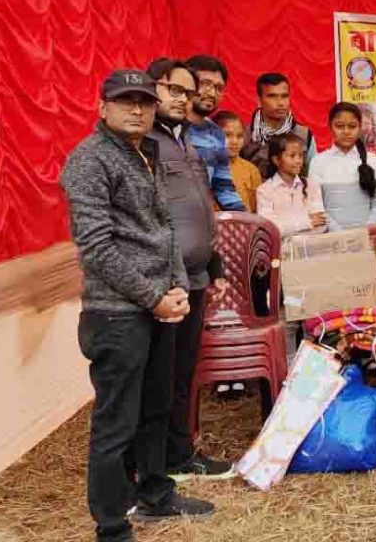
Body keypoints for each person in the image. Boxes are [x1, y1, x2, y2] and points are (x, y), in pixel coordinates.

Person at [60, 69, 215, 542]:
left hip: (158, 306)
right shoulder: (89, 160)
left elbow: (164, 230)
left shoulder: (146, 152)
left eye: (144, 102)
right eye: (125, 101)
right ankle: (111, 526)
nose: (136, 109)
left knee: (155, 409)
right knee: (116, 424)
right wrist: (154, 298)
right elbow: (97, 248)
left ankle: (156, 494)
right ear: (102, 107)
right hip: (117, 313)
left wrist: (177, 287)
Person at [144, 58, 233, 480]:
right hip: (166, 280)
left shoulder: (185, 139)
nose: (183, 99)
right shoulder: (144, 141)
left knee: (182, 372)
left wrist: (213, 259)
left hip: (195, 274)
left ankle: (178, 454)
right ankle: (156, 463)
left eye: (187, 92)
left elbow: (200, 202)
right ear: (151, 89)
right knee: (161, 377)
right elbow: (149, 216)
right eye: (174, 90)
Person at [308, 102, 376, 230]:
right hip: (331, 238)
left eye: (352, 126)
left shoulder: (372, 161)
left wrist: (365, 230)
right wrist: (340, 234)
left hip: (365, 237)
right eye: (339, 126)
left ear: (360, 128)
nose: (346, 131)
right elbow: (316, 206)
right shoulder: (318, 162)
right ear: (330, 127)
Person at [184, 55, 246, 211]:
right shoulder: (170, 127)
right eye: (205, 84)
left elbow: (223, 187)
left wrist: (245, 219)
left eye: (219, 88)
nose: (212, 93)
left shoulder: (217, 134)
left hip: (200, 219)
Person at [243, 73, 317, 179]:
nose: (280, 103)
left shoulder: (304, 135)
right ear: (259, 100)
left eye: (284, 96)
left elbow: (312, 176)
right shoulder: (244, 135)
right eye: (272, 96)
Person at [257, 134, 327, 238]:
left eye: (300, 155)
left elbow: (320, 224)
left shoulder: (311, 185)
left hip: (310, 245)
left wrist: (286, 224)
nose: (298, 161)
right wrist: (306, 222)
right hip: (281, 248)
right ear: (276, 160)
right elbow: (270, 229)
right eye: (292, 156)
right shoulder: (265, 190)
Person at [212, 110, 262, 213]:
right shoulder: (204, 169)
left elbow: (257, 210)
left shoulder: (250, 170)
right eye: (227, 135)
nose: (234, 142)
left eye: (239, 136)